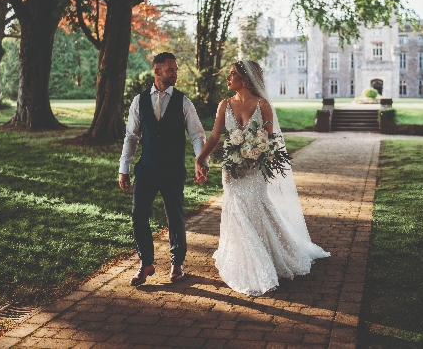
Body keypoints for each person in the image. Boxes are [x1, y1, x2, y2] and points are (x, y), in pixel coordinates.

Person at [196, 59, 329, 296]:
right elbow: (216, 136)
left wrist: (255, 155)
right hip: (232, 171)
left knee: (256, 207)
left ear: (245, 79)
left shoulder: (263, 105)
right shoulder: (224, 104)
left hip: (255, 170)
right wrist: (201, 159)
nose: (228, 77)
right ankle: (244, 255)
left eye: (232, 73)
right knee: (236, 208)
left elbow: (270, 142)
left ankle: (265, 256)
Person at [118, 52, 209, 286]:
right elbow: (131, 136)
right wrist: (124, 167)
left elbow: (197, 134)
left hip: (172, 169)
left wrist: (202, 161)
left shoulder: (183, 101)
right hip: (146, 168)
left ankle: (177, 264)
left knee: (175, 217)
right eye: (170, 69)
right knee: (139, 215)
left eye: (176, 69)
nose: (175, 73)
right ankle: (146, 262)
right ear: (157, 71)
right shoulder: (139, 101)